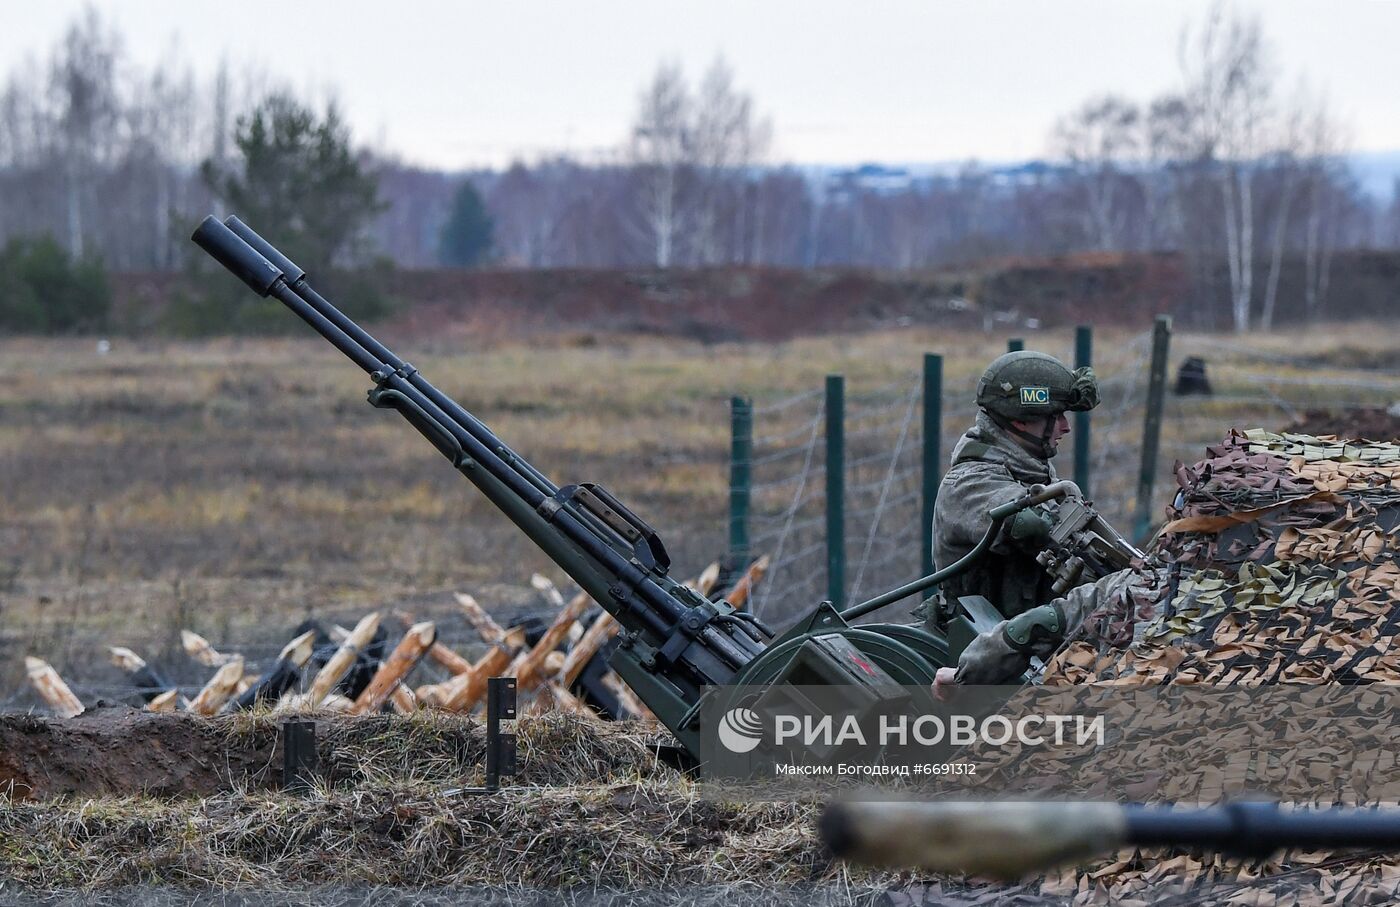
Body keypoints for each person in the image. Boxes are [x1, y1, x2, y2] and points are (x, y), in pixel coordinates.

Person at [919, 350, 1101, 628]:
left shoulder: (1031, 470)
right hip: (979, 645)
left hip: (1029, 637)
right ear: (1020, 420)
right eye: (1055, 416)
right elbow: (1025, 520)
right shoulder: (969, 482)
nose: (1065, 428)